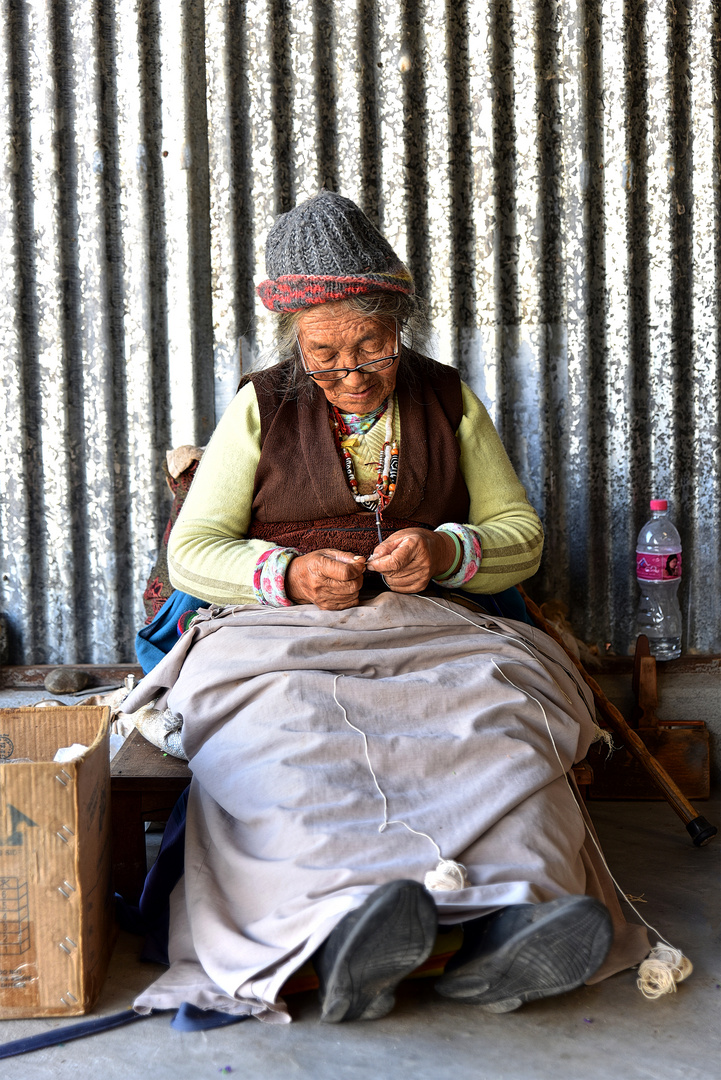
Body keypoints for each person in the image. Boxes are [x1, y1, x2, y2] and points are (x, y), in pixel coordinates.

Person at [123, 190, 649, 1025]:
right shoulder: (260, 405)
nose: (351, 374)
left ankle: (511, 926)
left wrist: (446, 550)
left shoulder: (447, 399)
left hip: (435, 625)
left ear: (398, 322)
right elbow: (193, 549)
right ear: (294, 342)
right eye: (324, 354)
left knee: (496, 721)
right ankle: (333, 937)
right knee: (287, 732)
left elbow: (519, 533)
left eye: (371, 347)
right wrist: (286, 577)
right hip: (277, 635)